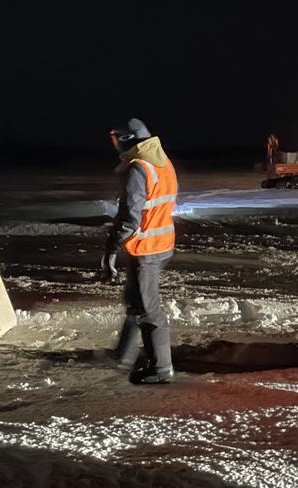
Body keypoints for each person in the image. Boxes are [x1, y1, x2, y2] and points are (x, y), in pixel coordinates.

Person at [102, 118, 178, 384]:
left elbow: (130, 218)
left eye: (115, 139)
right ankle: (123, 356)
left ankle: (161, 369)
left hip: (146, 247)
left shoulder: (139, 169)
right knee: (135, 303)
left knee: (148, 310)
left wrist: (111, 248)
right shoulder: (161, 161)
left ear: (126, 139)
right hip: (160, 243)